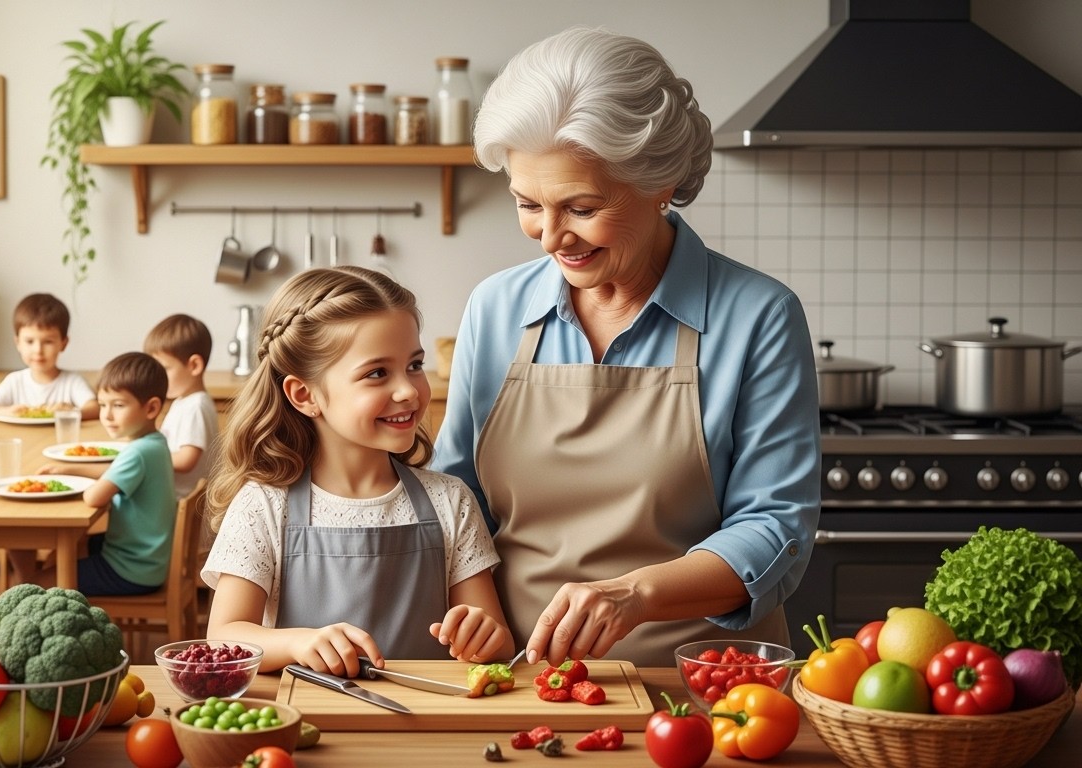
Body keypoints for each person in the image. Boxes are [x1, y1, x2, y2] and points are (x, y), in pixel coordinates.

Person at [430, 27, 820, 668]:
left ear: (658, 182)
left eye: (580, 207)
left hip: (708, 685)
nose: (552, 236)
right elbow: (455, 498)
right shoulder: (495, 308)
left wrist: (633, 595)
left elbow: (777, 531)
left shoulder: (759, 316)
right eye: (528, 203)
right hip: (518, 676)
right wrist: (482, 621)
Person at [203, 266, 514, 676]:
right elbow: (224, 637)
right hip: (312, 723)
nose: (408, 390)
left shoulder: (450, 500)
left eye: (415, 365)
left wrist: (484, 636)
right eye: (377, 373)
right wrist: (298, 641)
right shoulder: (263, 506)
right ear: (305, 394)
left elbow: (499, 641)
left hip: (429, 724)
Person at [14, 351, 176, 594]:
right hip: (145, 559)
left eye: (118, 405)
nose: (106, 415)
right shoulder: (154, 443)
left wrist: (79, 482)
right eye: (102, 405)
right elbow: (116, 473)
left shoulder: (138, 452)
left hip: (129, 568)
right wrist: (69, 469)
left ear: (151, 408)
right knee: (58, 556)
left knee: (37, 585)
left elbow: (94, 498)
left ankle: (43, 602)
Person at [0, 293, 99, 420]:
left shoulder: (72, 382)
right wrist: (7, 411)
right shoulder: (15, 381)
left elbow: (94, 408)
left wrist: (70, 413)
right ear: (18, 343)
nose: (38, 350)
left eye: (48, 342)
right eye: (29, 341)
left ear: (63, 344)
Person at [143, 314, 219, 500]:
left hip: (179, 504)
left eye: (165, 369)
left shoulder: (196, 407)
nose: (157, 377)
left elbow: (186, 459)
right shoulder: (183, 401)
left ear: (194, 365)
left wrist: (147, 457)